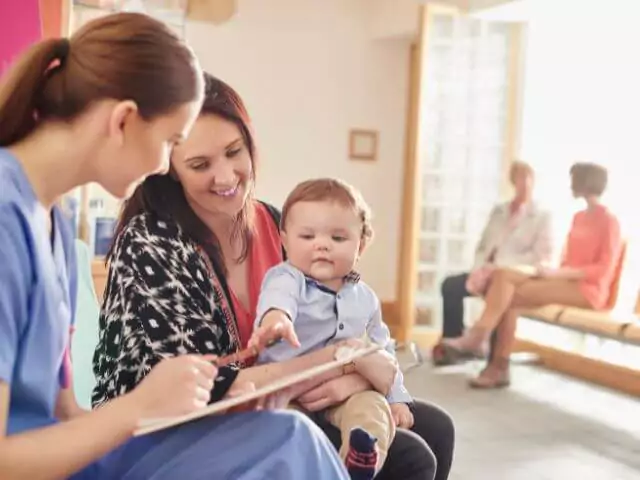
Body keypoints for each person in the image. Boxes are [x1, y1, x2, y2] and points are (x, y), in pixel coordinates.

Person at [0, 12, 348, 480]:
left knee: (289, 438)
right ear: (123, 121)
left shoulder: (52, 222)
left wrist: (159, 405)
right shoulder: (7, 221)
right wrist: (138, 406)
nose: (166, 163)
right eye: (172, 143)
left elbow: (64, 416)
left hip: (79, 460)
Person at [94, 72, 455, 480]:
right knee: (409, 457)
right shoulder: (153, 243)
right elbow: (207, 391)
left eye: (235, 152)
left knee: (436, 427)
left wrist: (353, 379)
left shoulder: (277, 223)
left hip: (287, 396)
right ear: (171, 168)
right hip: (180, 429)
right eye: (200, 164)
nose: (227, 177)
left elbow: (348, 321)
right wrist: (341, 364)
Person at [251, 178, 414, 479]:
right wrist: (276, 321)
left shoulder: (365, 297)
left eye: (338, 238)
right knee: (287, 428)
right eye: (308, 236)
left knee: (372, 409)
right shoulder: (286, 278)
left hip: (343, 393)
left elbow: (383, 348)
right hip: (288, 390)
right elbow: (278, 301)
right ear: (285, 241)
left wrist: (397, 396)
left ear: (361, 244)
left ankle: (360, 461)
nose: (322, 244)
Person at [439, 162, 622, 388]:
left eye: (574, 179)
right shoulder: (579, 217)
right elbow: (568, 258)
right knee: (506, 283)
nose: (570, 184)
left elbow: (604, 269)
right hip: (565, 282)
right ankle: (495, 363)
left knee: (508, 293)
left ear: (586, 182)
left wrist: (559, 273)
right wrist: (554, 274)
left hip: (590, 292)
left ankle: (483, 344)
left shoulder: (609, 221)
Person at [433, 161, 553, 365]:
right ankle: (453, 343)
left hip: (512, 276)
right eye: (519, 177)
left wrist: (500, 268)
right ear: (513, 181)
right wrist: (479, 268)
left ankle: (489, 351)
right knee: (451, 285)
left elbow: (541, 257)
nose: (524, 182)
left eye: (528, 177)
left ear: (534, 181)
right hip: (484, 271)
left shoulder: (542, 216)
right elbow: (483, 246)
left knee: (501, 294)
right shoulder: (500, 211)